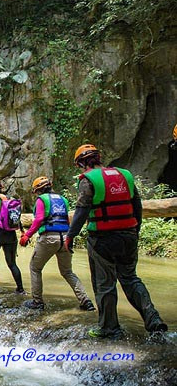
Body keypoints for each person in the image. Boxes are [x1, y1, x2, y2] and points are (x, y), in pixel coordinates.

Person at [64, 144, 167, 338]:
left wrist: (70, 235)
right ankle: (153, 319)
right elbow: (136, 204)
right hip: (128, 234)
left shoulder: (88, 180)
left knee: (105, 283)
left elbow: (82, 210)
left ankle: (109, 328)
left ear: (81, 163)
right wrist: (135, 229)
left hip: (102, 239)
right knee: (130, 279)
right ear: (99, 158)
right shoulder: (125, 175)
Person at [19, 177, 95, 311]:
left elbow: (39, 219)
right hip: (65, 238)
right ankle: (85, 300)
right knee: (67, 272)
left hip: (48, 238)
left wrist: (27, 235)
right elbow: (66, 220)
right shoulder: (63, 199)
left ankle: (37, 301)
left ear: (38, 190)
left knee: (35, 268)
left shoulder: (42, 199)